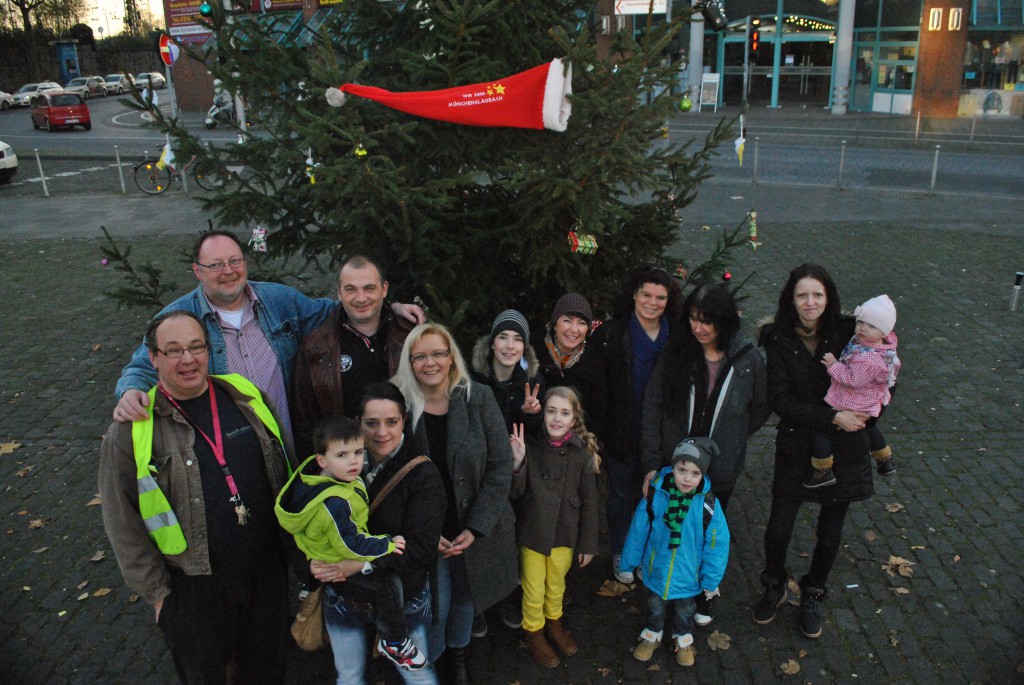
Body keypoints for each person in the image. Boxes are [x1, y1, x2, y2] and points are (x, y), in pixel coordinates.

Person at [98, 310, 292, 684]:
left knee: (267, 673)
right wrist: (158, 596)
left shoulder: (246, 397)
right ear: (153, 358)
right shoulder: (132, 429)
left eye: (196, 347)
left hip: (266, 574)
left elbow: (285, 470)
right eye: (173, 351)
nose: (187, 359)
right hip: (193, 588)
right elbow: (122, 520)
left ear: (208, 350)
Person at [111, 232, 423, 459]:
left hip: (286, 444)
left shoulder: (278, 300)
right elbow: (144, 364)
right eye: (216, 265)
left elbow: (338, 308)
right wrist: (129, 391)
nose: (229, 271)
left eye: (235, 261)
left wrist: (390, 306)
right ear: (197, 271)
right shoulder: (179, 318)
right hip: (231, 447)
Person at [392, 323, 519, 685]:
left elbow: (498, 466)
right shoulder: (397, 404)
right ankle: (431, 662)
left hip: (468, 526)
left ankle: (459, 656)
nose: (430, 362)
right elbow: (387, 476)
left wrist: (477, 526)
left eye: (438, 353)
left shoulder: (477, 397)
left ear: (451, 358)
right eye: (421, 356)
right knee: (433, 604)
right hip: (423, 531)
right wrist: (418, 532)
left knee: (464, 598)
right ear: (410, 361)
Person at [754, 264, 873, 640]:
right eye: (802, 295)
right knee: (778, 528)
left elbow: (882, 374)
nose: (810, 303)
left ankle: (814, 589)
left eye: (817, 295)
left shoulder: (849, 331)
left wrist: (868, 414)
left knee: (830, 532)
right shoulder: (776, 339)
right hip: (796, 443)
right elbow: (781, 400)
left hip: (845, 445)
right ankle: (774, 582)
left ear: (829, 297)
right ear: (791, 298)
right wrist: (833, 415)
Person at [640, 283, 768, 625]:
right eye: (694, 319)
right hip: (674, 467)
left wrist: (733, 437)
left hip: (720, 471)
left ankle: (704, 591)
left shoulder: (747, 360)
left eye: (707, 321)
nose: (699, 328)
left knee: (708, 534)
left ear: (723, 322)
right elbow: (653, 406)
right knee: (672, 532)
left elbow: (759, 408)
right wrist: (654, 462)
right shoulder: (677, 354)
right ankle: (667, 590)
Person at [310, 382, 445, 685]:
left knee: (418, 677)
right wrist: (311, 562)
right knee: (350, 676)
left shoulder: (423, 474)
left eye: (391, 422)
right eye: (372, 423)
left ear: (404, 422)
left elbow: (420, 550)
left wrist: (359, 564)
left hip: (403, 601)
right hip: (346, 598)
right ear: (357, 423)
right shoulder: (328, 468)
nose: (382, 432)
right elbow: (299, 522)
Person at [274, 416, 426, 671]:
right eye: (342, 455)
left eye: (358, 452)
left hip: (325, 549)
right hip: (335, 559)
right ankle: (395, 641)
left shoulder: (323, 477)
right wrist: (387, 544)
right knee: (387, 583)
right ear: (322, 460)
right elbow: (352, 544)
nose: (354, 461)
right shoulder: (334, 502)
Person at [593, 266, 681, 585]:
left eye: (660, 297)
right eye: (646, 294)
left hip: (660, 434)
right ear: (634, 294)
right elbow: (599, 388)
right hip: (622, 431)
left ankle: (647, 552)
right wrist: (602, 432)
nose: (652, 303)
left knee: (656, 497)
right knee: (620, 495)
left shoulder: (677, 336)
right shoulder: (612, 334)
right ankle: (621, 551)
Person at [509, 386, 599, 669]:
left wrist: (588, 544)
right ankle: (534, 630)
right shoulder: (532, 447)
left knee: (557, 583)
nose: (557, 419)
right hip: (534, 532)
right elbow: (516, 493)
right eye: (551, 411)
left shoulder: (582, 454)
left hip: (565, 533)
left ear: (574, 419)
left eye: (564, 413)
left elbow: (590, 502)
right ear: (542, 414)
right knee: (533, 588)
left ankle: (554, 622)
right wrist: (519, 461)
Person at [291, 255, 416, 459]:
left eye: (369, 288)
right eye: (351, 289)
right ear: (339, 292)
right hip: (345, 470)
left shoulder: (410, 336)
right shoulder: (315, 348)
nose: (360, 298)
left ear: (384, 289)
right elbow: (304, 422)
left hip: (405, 463)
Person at [619, 438, 729, 668]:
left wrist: (711, 579)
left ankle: (683, 637)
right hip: (656, 569)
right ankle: (653, 632)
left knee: (686, 609)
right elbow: (639, 530)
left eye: (695, 473)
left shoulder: (707, 505)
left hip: (689, 575)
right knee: (654, 605)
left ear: (703, 475)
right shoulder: (656, 494)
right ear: (673, 467)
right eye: (682, 470)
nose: (687, 478)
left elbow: (716, 545)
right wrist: (628, 563)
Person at [469, 308, 545, 633]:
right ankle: (476, 603)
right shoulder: (473, 380)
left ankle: (506, 597)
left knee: (508, 536)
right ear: (492, 343)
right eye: (503, 337)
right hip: (477, 472)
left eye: (517, 339)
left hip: (513, 473)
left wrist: (530, 415)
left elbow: (535, 433)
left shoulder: (529, 383)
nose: (510, 345)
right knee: (477, 536)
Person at [807, 294, 901, 488]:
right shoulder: (880, 348)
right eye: (860, 322)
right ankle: (884, 458)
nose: (863, 328)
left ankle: (823, 469)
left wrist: (833, 365)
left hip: (853, 399)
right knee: (870, 426)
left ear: (883, 331)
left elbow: (852, 379)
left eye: (871, 326)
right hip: (870, 400)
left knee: (820, 427)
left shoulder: (868, 358)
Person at [535, 293, 609, 437]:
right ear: (554, 324)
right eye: (567, 321)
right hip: (538, 441)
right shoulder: (535, 355)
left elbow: (600, 410)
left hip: (578, 443)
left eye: (581, 323)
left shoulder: (594, 361)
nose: (574, 329)